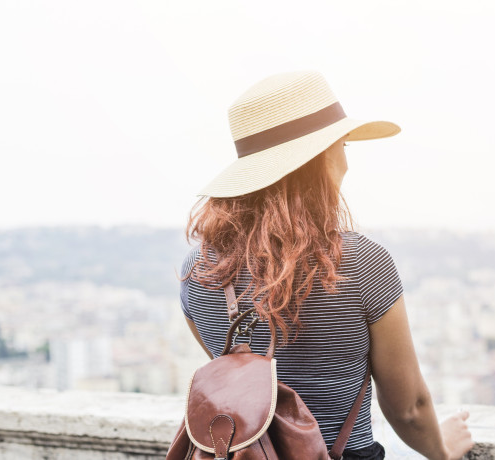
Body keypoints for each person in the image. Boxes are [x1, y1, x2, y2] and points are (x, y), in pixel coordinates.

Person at [179, 71, 474, 460]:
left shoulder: (198, 268)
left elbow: (238, 375)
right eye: (343, 144)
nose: (347, 161)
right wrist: (443, 451)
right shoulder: (360, 263)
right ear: (323, 158)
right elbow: (409, 409)